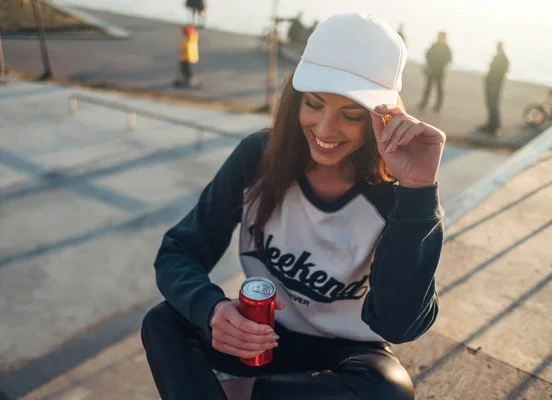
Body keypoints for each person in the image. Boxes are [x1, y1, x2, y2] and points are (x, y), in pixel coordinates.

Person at [142, 12, 445, 400]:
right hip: (262, 335)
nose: (324, 130)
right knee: (165, 321)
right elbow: (178, 252)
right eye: (314, 105)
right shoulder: (259, 157)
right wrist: (214, 310)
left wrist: (418, 190)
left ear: (382, 117)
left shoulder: (393, 195)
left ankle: (240, 394)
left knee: (387, 390)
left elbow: (399, 326)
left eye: (351, 115)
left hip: (343, 351)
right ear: (295, 99)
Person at [479, 42, 510, 136]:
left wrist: (494, 83)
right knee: (490, 105)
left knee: (494, 106)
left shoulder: (504, 59)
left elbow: (501, 74)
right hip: (490, 84)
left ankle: (495, 127)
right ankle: (490, 125)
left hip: (495, 86)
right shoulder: (497, 57)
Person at [418, 32, 452, 113]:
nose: (440, 38)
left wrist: (441, 65)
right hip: (431, 70)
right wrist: (429, 64)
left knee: (439, 89)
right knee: (428, 88)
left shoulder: (446, 48)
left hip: (439, 71)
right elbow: (427, 54)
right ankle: (424, 103)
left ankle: (438, 105)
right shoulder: (434, 45)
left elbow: (449, 59)